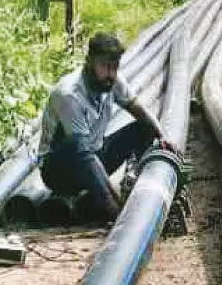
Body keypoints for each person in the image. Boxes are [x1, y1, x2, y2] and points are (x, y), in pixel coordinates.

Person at [38, 32, 177, 221]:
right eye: (104, 66)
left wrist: (163, 138)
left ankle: (143, 191)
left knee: (143, 127)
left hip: (94, 155)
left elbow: (137, 108)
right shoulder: (69, 94)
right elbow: (82, 153)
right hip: (60, 170)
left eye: (115, 67)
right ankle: (111, 207)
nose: (110, 74)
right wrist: (118, 208)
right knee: (77, 145)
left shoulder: (112, 80)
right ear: (89, 62)